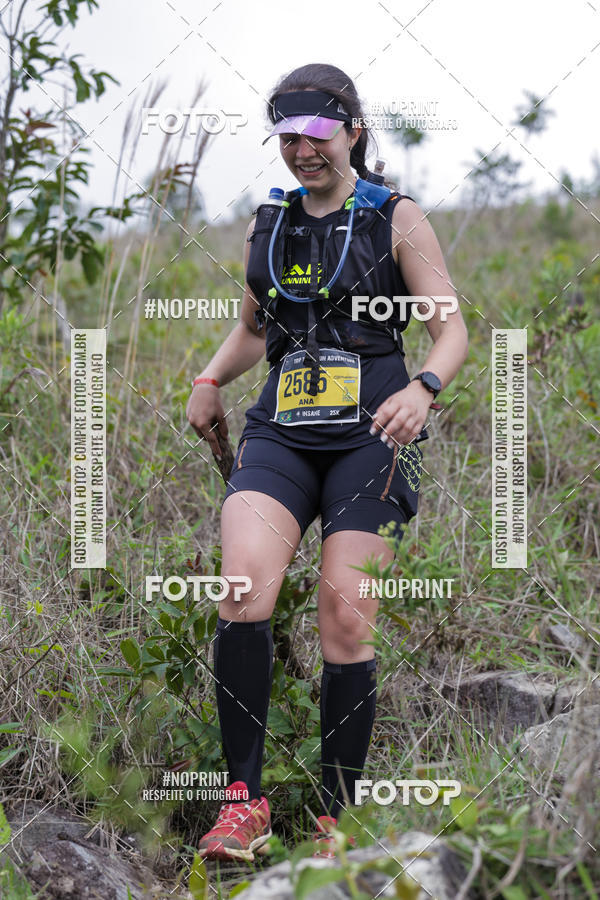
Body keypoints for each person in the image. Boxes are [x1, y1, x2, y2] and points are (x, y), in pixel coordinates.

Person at [186, 63, 468, 863]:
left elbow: (453, 330)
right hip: (281, 431)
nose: (300, 152)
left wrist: (425, 387)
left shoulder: (395, 216)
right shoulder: (268, 223)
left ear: (350, 129)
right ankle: (242, 807)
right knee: (242, 589)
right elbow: (253, 328)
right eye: (285, 137)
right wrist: (211, 379)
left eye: (314, 135)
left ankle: (336, 817)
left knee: (346, 615)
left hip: (372, 434)